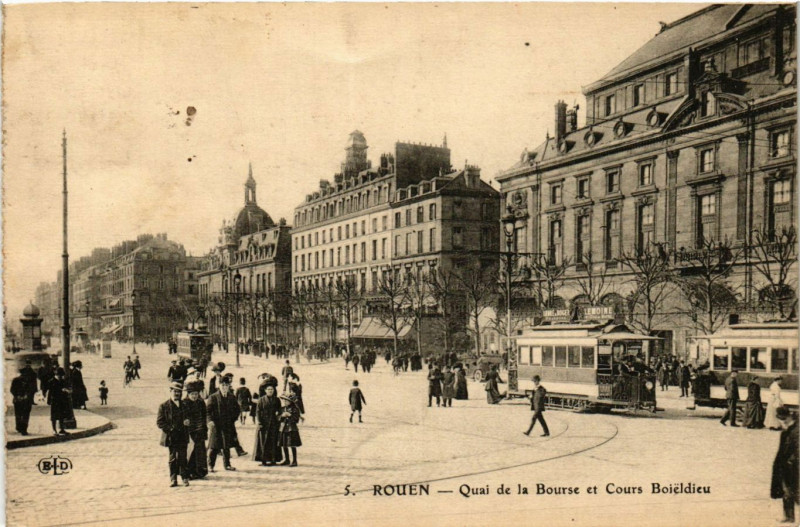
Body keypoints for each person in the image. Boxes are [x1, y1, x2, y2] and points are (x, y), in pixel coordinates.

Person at [156, 382, 191, 487]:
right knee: (173, 458)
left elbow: (189, 418)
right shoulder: (164, 406)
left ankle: (185, 477)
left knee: (183, 457)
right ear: (170, 391)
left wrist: (188, 421)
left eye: (179, 392)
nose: (177, 394)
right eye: (175, 391)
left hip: (183, 435)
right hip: (171, 436)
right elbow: (160, 422)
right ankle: (173, 479)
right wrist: (170, 428)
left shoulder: (185, 405)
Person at [206, 375, 240, 471]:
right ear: (219, 386)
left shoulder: (232, 397)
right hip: (216, 425)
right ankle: (210, 465)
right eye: (223, 385)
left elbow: (237, 409)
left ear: (229, 386)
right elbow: (208, 411)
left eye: (226, 385)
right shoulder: (213, 397)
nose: (224, 387)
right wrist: (210, 421)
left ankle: (227, 465)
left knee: (226, 445)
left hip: (228, 425)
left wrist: (232, 419)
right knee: (214, 446)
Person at [771, 407, 798, 523]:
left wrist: (791, 460)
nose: (781, 423)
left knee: (794, 491)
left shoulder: (796, 430)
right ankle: (789, 516)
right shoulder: (787, 429)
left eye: (782, 420)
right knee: (786, 491)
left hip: (794, 466)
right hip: (785, 466)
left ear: (786, 418)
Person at [183, 382, 208, 480]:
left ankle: (200, 471)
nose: (194, 396)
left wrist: (204, 429)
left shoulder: (201, 402)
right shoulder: (184, 403)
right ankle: (188, 472)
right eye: (192, 394)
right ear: (188, 394)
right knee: (190, 451)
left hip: (200, 430)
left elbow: (204, 416)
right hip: (189, 432)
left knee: (200, 452)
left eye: (196, 394)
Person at [253, 383, 282, 466]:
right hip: (264, 424)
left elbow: (280, 410)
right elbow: (258, 411)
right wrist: (259, 422)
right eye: (268, 389)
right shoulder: (261, 400)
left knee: (273, 442)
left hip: (273, 423)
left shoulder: (277, 400)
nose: (270, 391)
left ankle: (273, 460)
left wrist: (278, 416)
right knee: (263, 442)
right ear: (265, 391)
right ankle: (263, 460)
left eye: (272, 389)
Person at [278, 390, 302, 466]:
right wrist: (282, 416)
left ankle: (294, 461)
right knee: (284, 444)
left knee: (292, 444)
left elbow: (296, 419)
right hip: (283, 428)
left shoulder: (295, 409)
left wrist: (290, 415)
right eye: (284, 400)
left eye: (287, 400)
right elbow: (278, 418)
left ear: (290, 401)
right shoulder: (282, 408)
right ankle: (287, 459)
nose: (285, 402)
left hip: (292, 429)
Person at [47, 368, 72, 435]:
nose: (61, 377)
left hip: (62, 400)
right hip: (54, 401)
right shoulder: (51, 381)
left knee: (62, 415)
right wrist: (62, 390)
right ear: (56, 375)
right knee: (54, 416)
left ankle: (62, 429)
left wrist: (67, 391)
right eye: (60, 375)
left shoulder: (62, 381)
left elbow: (66, 388)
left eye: (61, 376)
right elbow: (51, 392)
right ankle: (54, 430)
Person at [10, 366, 33, 435]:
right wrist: (18, 396)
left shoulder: (29, 381)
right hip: (19, 400)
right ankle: (21, 428)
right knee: (20, 414)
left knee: (23, 415)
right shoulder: (16, 380)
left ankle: (22, 428)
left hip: (25, 400)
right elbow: (12, 390)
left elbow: (31, 390)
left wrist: (27, 395)